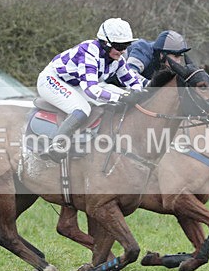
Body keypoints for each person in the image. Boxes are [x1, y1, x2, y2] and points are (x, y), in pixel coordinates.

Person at [36, 17, 147, 162]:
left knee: (115, 90)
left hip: (76, 83)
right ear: (106, 43)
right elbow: (91, 90)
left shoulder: (118, 58)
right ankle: (56, 145)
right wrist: (122, 98)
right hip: (52, 80)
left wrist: (138, 92)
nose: (123, 51)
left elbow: (133, 81)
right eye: (119, 46)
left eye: (126, 46)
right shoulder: (88, 52)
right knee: (82, 108)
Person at [122, 29, 192, 79]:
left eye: (180, 57)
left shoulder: (164, 65)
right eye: (176, 56)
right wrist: (151, 85)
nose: (178, 62)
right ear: (162, 55)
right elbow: (129, 74)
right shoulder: (143, 49)